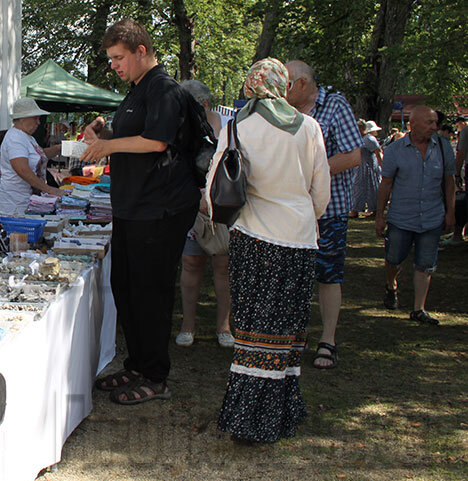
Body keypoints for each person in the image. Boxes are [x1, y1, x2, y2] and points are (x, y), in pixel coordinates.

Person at [211, 58, 330, 444]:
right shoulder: (309, 127)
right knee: (287, 330)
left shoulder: (238, 126)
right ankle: (279, 415)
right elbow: (321, 195)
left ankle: (250, 420)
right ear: (283, 85)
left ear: (251, 85)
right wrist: (298, 216)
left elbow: (216, 185)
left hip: (254, 237)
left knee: (254, 332)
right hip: (297, 239)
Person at [82, 19, 201, 405]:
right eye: (111, 59)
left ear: (141, 51)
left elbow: (155, 141)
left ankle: (156, 375)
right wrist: (101, 133)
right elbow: (128, 133)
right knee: (126, 288)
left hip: (160, 207)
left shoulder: (164, 88)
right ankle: (136, 364)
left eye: (119, 58)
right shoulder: (134, 90)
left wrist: (108, 148)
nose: (114, 65)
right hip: (132, 206)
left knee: (151, 292)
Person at [285, 60, 362, 370]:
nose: (282, 90)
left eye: (287, 83)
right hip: (292, 209)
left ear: (303, 83)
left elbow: (354, 155)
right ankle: (296, 336)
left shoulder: (335, 105)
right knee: (296, 275)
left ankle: (328, 341)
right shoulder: (284, 110)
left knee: (328, 275)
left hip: (329, 210)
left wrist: (313, 173)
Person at [375, 106, 456, 325]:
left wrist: (451, 213)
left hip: (432, 216)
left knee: (425, 264)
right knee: (393, 259)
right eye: (429, 122)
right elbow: (386, 184)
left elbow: (450, 183)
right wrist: (379, 215)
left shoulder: (443, 147)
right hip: (401, 217)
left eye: (435, 122)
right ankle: (391, 285)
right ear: (413, 125)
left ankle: (418, 309)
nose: (434, 127)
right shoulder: (396, 149)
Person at [176, 79, 232, 348]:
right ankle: (188, 326)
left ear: (204, 104)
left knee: (223, 265)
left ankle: (224, 326)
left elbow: (238, 166)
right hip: (191, 202)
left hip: (224, 204)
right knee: (190, 262)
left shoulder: (230, 125)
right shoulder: (180, 127)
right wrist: (195, 198)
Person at [0, 98, 67, 215]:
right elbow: (22, 169)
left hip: (24, 203)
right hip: (15, 206)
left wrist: (59, 148)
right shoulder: (15, 138)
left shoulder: (27, 137)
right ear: (23, 118)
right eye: (35, 118)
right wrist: (49, 189)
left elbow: (39, 155)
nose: (38, 122)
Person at [349, 120, 383, 218]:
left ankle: (375, 210)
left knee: (372, 188)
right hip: (359, 167)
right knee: (357, 188)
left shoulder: (369, 139)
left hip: (369, 167)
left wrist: (382, 166)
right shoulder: (357, 138)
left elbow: (378, 152)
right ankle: (355, 209)